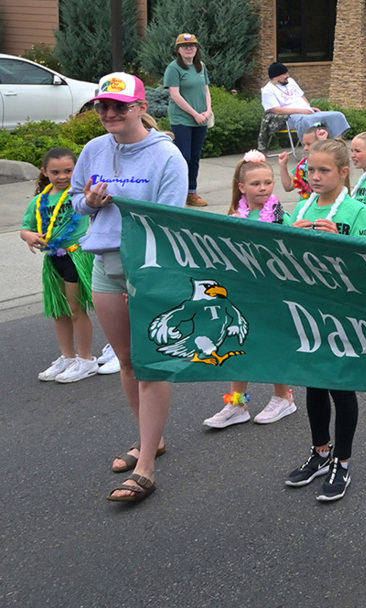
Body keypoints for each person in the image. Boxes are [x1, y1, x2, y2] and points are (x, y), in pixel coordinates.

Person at [71, 73, 188, 502]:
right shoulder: (94, 149)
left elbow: (172, 224)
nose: (109, 113)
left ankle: (146, 468)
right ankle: (149, 438)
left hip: (146, 267)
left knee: (149, 362)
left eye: (119, 105)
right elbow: (75, 199)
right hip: (104, 262)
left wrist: (145, 275)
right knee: (126, 361)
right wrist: (92, 202)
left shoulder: (167, 157)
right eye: (103, 105)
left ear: (141, 107)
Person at [282, 139, 366, 502]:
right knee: (313, 384)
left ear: (344, 172)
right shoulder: (300, 206)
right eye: (310, 170)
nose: (315, 176)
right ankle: (321, 452)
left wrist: (340, 241)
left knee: (340, 384)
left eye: (324, 170)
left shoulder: (355, 210)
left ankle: (343, 461)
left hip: (341, 311)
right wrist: (291, 236)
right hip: (307, 308)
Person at [204, 150, 297, 429]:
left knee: (273, 342)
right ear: (242, 187)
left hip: (273, 290)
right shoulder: (235, 216)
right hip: (243, 290)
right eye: (256, 184)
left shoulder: (280, 215)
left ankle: (284, 397)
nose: (264, 188)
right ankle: (237, 402)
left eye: (268, 183)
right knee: (235, 341)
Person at [22, 147, 99, 384]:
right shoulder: (38, 201)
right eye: (55, 172)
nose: (62, 176)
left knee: (76, 309)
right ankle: (68, 356)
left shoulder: (80, 195)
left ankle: (86, 359)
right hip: (53, 258)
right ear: (45, 172)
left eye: (68, 170)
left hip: (76, 256)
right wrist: (29, 236)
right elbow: (26, 228)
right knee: (59, 310)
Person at [164, 33, 213, 208]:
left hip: (201, 119)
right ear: (178, 50)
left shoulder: (201, 67)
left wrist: (208, 111)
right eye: (184, 46)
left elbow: (206, 91)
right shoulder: (174, 68)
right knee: (183, 156)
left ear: (197, 48)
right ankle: (179, 192)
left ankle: (192, 192)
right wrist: (195, 114)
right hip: (182, 119)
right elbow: (175, 95)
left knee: (195, 156)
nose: (189, 48)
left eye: (192, 45)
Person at [261, 63, 351, 141]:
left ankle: (335, 144)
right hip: (290, 118)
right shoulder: (268, 90)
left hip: (308, 113)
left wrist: (309, 107)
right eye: (284, 74)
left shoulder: (290, 81)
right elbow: (276, 110)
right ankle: (311, 148)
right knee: (305, 120)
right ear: (276, 76)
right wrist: (301, 111)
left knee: (337, 116)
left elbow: (301, 95)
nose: (288, 75)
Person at [278, 125, 327, 203]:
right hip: (305, 207)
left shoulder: (328, 163)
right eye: (304, 144)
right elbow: (289, 186)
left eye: (309, 144)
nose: (305, 148)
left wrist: (323, 144)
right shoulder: (303, 164)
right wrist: (283, 165)